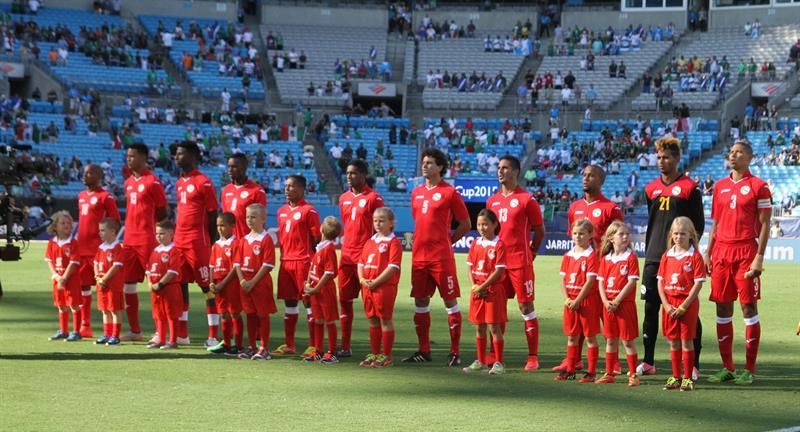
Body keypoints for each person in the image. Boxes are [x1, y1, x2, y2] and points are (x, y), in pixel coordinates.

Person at [705, 139, 772, 386]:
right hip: (721, 252)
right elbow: (716, 223)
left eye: (739, 152)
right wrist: (707, 253)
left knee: (748, 309)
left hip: (746, 251)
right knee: (722, 309)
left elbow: (765, 224)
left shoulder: (759, 186)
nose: (733, 156)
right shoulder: (720, 187)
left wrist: (759, 257)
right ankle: (727, 367)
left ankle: (749, 369)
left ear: (750, 158)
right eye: (732, 152)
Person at [640, 137, 705, 378]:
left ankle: (694, 364)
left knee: (689, 311)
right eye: (658, 157)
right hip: (654, 257)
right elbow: (654, 222)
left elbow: (697, 224)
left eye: (666, 157)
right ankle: (648, 361)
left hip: (681, 259)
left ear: (677, 158)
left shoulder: (690, 187)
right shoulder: (650, 189)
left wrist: (687, 251)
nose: (661, 161)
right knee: (650, 308)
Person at [403, 149, 471, 366]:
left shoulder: (450, 193)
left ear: (440, 167)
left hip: (441, 257)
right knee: (420, 302)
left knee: (450, 301)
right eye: (424, 162)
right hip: (419, 257)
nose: (425, 166)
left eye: (430, 163)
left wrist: (447, 242)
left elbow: (465, 223)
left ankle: (455, 352)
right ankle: (424, 350)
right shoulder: (416, 193)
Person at [485, 156, 545, 371]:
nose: (500, 171)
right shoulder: (492, 201)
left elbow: (539, 230)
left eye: (505, 168)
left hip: (520, 261)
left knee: (525, 306)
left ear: (516, 172)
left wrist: (533, 251)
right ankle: (494, 353)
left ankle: (533, 357)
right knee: (497, 308)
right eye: (498, 168)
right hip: (498, 263)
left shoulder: (527, 199)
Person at [174, 141, 220, 346]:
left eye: (181, 154)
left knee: (207, 287)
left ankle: (213, 335)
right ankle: (182, 335)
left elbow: (212, 214)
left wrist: (209, 241)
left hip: (197, 242)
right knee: (180, 284)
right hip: (179, 241)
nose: (177, 157)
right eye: (176, 154)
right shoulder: (179, 182)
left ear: (193, 156)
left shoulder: (204, 182)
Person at [121, 144, 168, 342]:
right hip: (129, 240)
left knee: (155, 285)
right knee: (128, 285)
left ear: (143, 157)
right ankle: (135, 331)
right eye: (128, 156)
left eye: (132, 156)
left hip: (146, 241)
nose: (129, 159)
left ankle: (161, 332)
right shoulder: (129, 182)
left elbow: (162, 212)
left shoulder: (153, 182)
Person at [271, 175, 321, 357]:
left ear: (301, 189)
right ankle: (289, 344)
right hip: (286, 262)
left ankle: (314, 345)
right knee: (290, 303)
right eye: (286, 186)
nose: (287, 189)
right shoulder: (281, 211)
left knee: (309, 303)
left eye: (291, 186)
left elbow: (317, 239)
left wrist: (311, 260)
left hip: (303, 262)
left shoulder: (309, 211)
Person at [337, 160, 384, 357]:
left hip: (367, 259)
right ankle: (345, 346)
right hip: (347, 257)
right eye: (348, 173)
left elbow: (380, 229)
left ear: (364, 174)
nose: (349, 176)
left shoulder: (374, 198)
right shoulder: (343, 198)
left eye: (354, 173)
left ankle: (378, 349)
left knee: (373, 306)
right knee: (345, 301)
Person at [658, 217, 705, 392]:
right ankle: (675, 375)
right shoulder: (666, 255)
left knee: (686, 342)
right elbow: (660, 282)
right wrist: (666, 305)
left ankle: (687, 378)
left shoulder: (694, 256)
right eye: (676, 234)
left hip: (687, 304)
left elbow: (698, 284)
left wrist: (684, 306)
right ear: (671, 235)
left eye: (683, 234)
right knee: (673, 342)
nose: (679, 237)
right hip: (669, 304)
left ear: (691, 235)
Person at [462, 209, 508, 376]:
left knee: (493, 327)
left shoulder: (499, 244)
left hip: (493, 290)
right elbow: (469, 266)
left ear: (494, 224)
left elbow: (498, 271)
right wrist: (474, 285)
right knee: (479, 327)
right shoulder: (475, 243)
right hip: (478, 290)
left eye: (485, 224)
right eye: (479, 224)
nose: (482, 227)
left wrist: (482, 287)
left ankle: (499, 363)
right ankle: (480, 361)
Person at [77, 164, 121, 338]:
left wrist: (108, 244)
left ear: (98, 176)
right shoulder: (80, 196)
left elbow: (115, 221)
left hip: (98, 251)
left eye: (89, 173)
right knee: (82, 288)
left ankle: (110, 330)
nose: (85, 175)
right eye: (85, 172)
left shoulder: (106, 197)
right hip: (81, 249)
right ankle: (84, 325)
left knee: (104, 287)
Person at [595, 221, 640, 386]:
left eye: (627, 234)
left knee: (627, 341)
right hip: (609, 306)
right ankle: (609, 373)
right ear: (611, 238)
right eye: (621, 234)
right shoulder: (606, 259)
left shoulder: (631, 258)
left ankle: (633, 375)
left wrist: (617, 300)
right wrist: (606, 301)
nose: (625, 237)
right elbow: (600, 283)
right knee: (610, 340)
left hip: (624, 305)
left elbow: (631, 283)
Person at [556, 219, 601, 382]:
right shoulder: (568, 256)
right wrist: (567, 298)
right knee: (572, 336)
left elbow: (590, 281)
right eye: (575, 233)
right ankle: (570, 369)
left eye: (581, 233)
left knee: (589, 337)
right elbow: (562, 279)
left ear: (590, 235)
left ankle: (591, 371)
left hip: (586, 302)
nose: (577, 236)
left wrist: (578, 300)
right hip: (571, 302)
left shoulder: (591, 256)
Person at [357, 207, 402, 368]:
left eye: (382, 220)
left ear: (391, 223)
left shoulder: (393, 242)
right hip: (368, 286)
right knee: (372, 320)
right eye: (375, 220)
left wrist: (376, 281)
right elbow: (361, 263)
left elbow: (393, 267)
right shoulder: (370, 241)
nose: (377, 223)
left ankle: (387, 355)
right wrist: (362, 279)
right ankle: (374, 353)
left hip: (384, 287)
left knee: (385, 319)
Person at [234, 204, 277, 361]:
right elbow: (237, 263)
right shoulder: (244, 240)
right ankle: (252, 347)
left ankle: (264, 348)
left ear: (263, 219)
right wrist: (242, 281)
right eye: (247, 217)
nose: (249, 220)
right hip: (245, 285)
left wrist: (252, 282)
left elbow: (268, 265)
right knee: (250, 315)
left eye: (253, 217)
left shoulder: (266, 239)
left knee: (262, 315)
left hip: (260, 284)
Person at [303, 216, 341, 364]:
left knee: (329, 321)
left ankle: (332, 352)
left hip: (325, 291)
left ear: (321, 229)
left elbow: (329, 273)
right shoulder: (320, 247)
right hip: (315, 291)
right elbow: (313, 269)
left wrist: (316, 288)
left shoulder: (328, 249)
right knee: (318, 319)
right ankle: (318, 350)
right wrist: (308, 284)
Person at [207, 213, 244, 355]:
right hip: (218, 284)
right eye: (218, 226)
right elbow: (211, 265)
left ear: (232, 226)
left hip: (231, 283)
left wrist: (223, 283)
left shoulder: (236, 244)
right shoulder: (216, 245)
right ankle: (227, 343)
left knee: (234, 313)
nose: (220, 228)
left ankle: (239, 344)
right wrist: (211, 282)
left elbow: (236, 267)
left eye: (223, 225)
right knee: (223, 314)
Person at [145, 220, 185, 350]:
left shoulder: (174, 251)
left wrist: (160, 284)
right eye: (157, 233)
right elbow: (149, 270)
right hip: (156, 290)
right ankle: (161, 339)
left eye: (162, 233)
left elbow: (172, 272)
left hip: (169, 288)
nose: (158, 236)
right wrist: (150, 283)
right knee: (159, 314)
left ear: (171, 234)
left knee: (171, 314)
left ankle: (173, 340)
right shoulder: (155, 251)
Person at [45, 211, 82, 341]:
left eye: (69, 223)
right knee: (61, 304)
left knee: (74, 304)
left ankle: (76, 331)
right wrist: (56, 275)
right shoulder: (51, 243)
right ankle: (63, 330)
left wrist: (65, 278)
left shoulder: (73, 243)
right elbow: (49, 260)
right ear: (55, 226)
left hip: (70, 279)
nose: (67, 225)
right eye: (63, 223)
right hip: (58, 279)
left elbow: (73, 262)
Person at [94, 218, 125, 346]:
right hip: (101, 285)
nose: (100, 233)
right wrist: (97, 276)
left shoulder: (117, 247)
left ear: (112, 231)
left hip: (113, 285)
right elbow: (95, 263)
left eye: (103, 230)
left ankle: (115, 336)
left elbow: (116, 266)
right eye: (99, 230)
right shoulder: (100, 247)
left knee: (114, 310)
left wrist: (104, 278)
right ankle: (106, 334)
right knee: (104, 310)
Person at [221, 154, 267, 239]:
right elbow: (224, 218)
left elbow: (261, 221)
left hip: (248, 242)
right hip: (230, 242)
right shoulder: (226, 190)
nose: (230, 170)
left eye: (234, 167)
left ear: (244, 168)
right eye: (229, 167)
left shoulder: (257, 191)